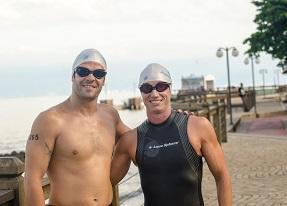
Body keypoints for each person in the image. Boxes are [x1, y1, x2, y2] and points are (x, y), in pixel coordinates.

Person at [110, 63, 232, 206]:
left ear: (170, 88)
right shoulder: (130, 140)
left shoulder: (198, 126)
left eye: (161, 86)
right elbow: (104, 184)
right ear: (141, 93)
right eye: (146, 88)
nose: (154, 93)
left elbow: (222, 176)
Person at [24, 48, 130, 206]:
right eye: (83, 71)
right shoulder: (50, 120)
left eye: (98, 74)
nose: (90, 77)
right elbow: (32, 178)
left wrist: (176, 119)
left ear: (104, 80)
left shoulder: (110, 115)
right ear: (73, 76)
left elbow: (136, 137)